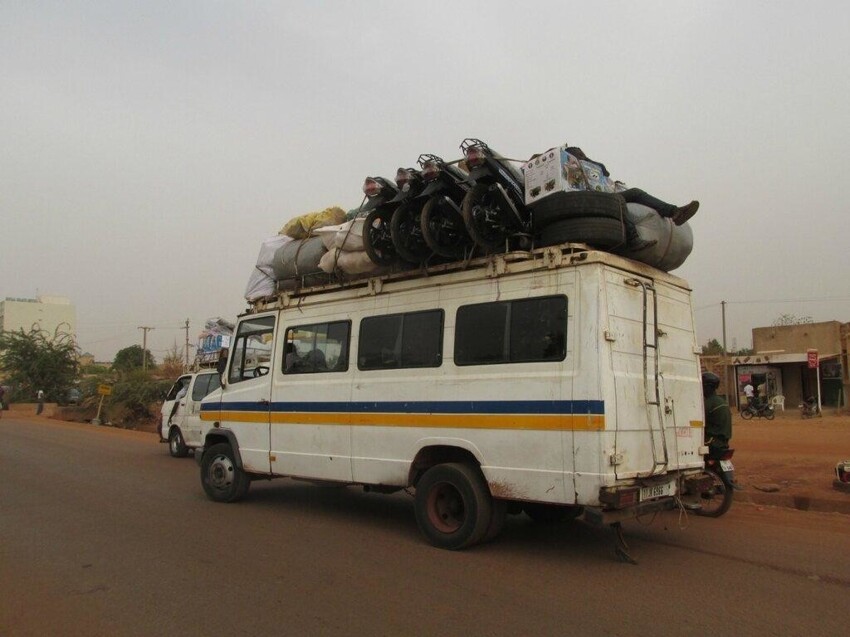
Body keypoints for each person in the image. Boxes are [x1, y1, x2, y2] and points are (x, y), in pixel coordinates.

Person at [565, 146, 700, 250]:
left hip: (603, 195)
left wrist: (585, 160)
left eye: (582, 153)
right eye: (579, 154)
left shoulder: (588, 165)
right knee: (619, 201)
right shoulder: (565, 167)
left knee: (635, 192)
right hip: (584, 200)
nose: (582, 156)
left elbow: (605, 171)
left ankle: (674, 212)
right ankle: (633, 240)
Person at [703, 372, 732, 456]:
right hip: (723, 442)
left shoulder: (708, 403)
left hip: (712, 442)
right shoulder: (721, 401)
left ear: (707, 387)